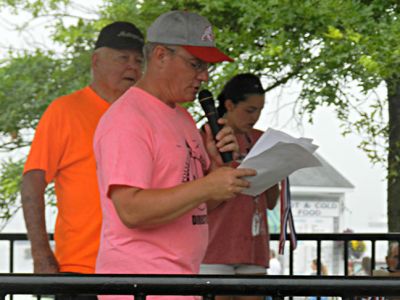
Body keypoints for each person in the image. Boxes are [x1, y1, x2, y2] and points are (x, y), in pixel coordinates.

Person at [93, 10, 256, 298]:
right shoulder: (128, 118)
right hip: (140, 286)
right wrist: (206, 184)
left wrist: (219, 176)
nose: (204, 76)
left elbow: (197, 206)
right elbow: (131, 210)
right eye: (195, 64)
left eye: (206, 66)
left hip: (179, 282)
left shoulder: (182, 117)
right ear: (160, 55)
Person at [20, 21, 145, 280]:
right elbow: (32, 182)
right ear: (96, 60)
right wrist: (42, 256)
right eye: (123, 58)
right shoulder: (64, 110)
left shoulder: (147, 114)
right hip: (81, 268)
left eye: (138, 60)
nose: (132, 66)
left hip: (141, 268)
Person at [199, 74, 279, 300]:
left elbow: (271, 202)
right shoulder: (206, 136)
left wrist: (277, 169)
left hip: (253, 247)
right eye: (249, 110)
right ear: (229, 105)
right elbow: (198, 199)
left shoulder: (263, 140)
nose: (255, 117)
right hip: (214, 247)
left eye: (260, 110)